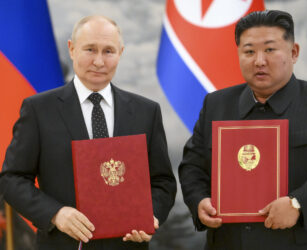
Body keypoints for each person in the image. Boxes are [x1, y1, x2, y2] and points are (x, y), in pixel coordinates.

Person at [178, 10, 307, 250]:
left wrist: (299, 204)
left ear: (293, 52)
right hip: (230, 242)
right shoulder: (216, 104)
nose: (259, 61)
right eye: (249, 51)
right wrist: (199, 200)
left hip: (304, 242)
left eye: (270, 49)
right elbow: (193, 165)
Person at [0, 15, 176, 249]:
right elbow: (12, 179)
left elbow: (163, 181)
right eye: (90, 50)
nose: (99, 61)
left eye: (109, 51)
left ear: (120, 53)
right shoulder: (39, 110)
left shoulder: (147, 111)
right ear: (72, 49)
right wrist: (56, 214)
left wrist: (150, 217)